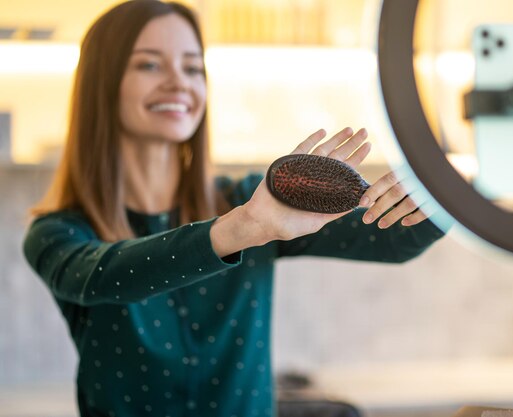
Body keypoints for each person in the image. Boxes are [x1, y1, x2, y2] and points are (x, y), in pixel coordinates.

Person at [22, 1, 445, 416]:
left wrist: (443, 194)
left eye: (191, 67)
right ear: (102, 84)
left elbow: (394, 239)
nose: (178, 82)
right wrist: (246, 227)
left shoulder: (248, 199)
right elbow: (106, 276)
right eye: (149, 65)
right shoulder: (56, 233)